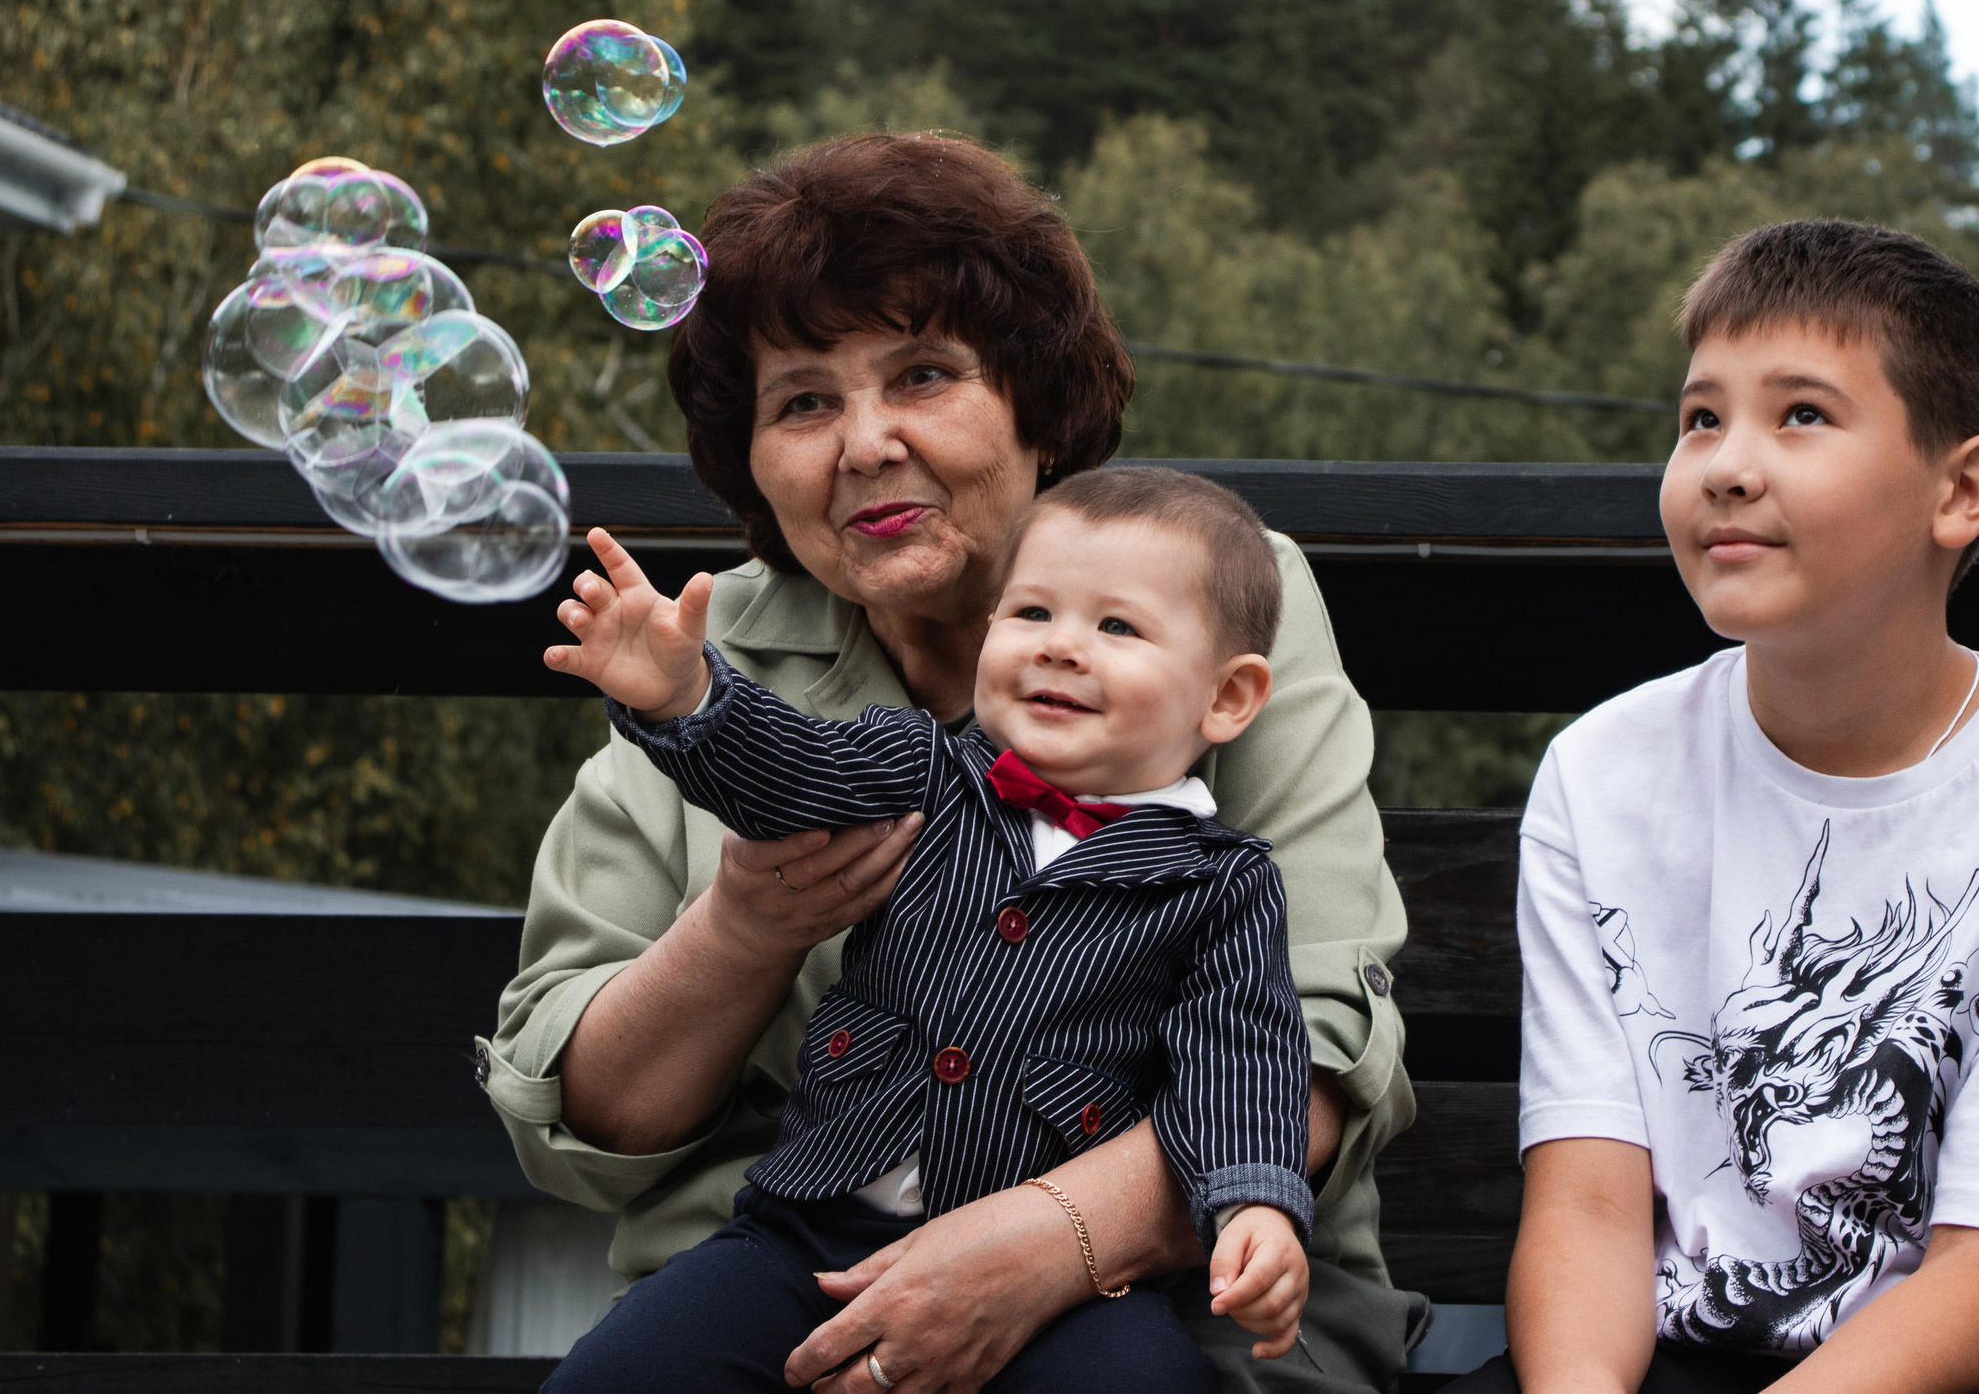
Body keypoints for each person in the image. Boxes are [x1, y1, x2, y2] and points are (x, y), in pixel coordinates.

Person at [475, 132, 1422, 1394]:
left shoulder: (1211, 601)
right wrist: (745, 929)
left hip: (1167, 1307)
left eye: (922, 374)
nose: (864, 443)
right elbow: (589, 1113)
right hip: (787, 1296)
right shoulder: (714, 658)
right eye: (803, 401)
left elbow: (1302, 1047)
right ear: (752, 460)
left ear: (1038, 405)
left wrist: (1039, 1244)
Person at [1461, 221, 1979, 1394]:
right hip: (1694, 1348)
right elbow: (1590, 1208)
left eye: (1800, 414)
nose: (1728, 464)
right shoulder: (1602, 774)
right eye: (1701, 417)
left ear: (1960, 490)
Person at [538, 467, 1316, 1392]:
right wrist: (687, 698)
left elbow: (1242, 1057)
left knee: (1145, 1379)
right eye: (1030, 613)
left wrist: (1256, 1201)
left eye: (1116, 626)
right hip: (809, 1228)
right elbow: (789, 775)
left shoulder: (1222, 882)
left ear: (1227, 696)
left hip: (1055, 1285)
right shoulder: (921, 766)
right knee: (623, 1374)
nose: (1061, 647)